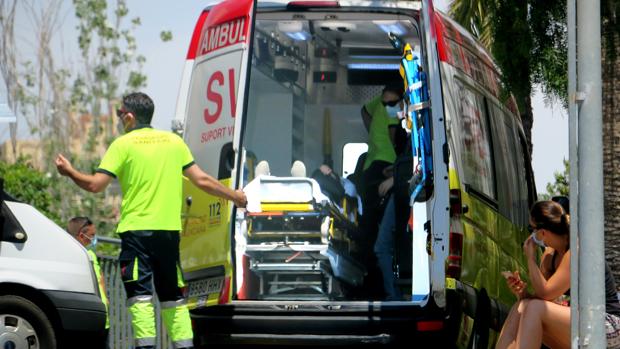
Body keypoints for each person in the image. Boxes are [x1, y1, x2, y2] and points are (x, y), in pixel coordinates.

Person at [55, 92, 247, 349]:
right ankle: (184, 345)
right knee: (173, 297)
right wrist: (234, 196)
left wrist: (69, 171)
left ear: (130, 117)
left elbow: (95, 185)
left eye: (120, 114)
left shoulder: (123, 144)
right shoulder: (173, 142)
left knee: (140, 297)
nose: (120, 119)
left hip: (137, 234)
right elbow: (202, 180)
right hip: (168, 233)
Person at [495, 200, 620, 349]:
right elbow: (543, 299)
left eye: (532, 228)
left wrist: (530, 258)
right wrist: (522, 293)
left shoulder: (576, 250)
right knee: (522, 306)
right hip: (581, 323)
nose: (532, 234)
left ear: (542, 232)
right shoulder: (549, 256)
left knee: (534, 308)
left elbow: (546, 293)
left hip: (606, 324)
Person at [67, 216, 109, 348]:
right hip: (89, 318)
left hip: (100, 317)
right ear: (81, 235)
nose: (94, 239)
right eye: (92, 235)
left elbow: (100, 279)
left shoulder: (90, 254)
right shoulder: (78, 256)